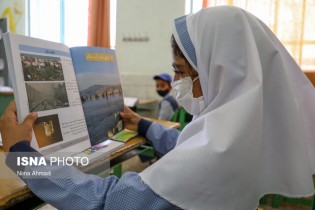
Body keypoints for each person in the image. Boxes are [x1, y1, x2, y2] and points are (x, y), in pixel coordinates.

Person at [2, 5, 315, 210]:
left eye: (180, 70)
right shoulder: (239, 135)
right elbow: (187, 147)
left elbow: (104, 201)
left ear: (217, 71)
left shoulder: (210, 157)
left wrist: (21, 152)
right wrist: (143, 125)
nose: (176, 80)